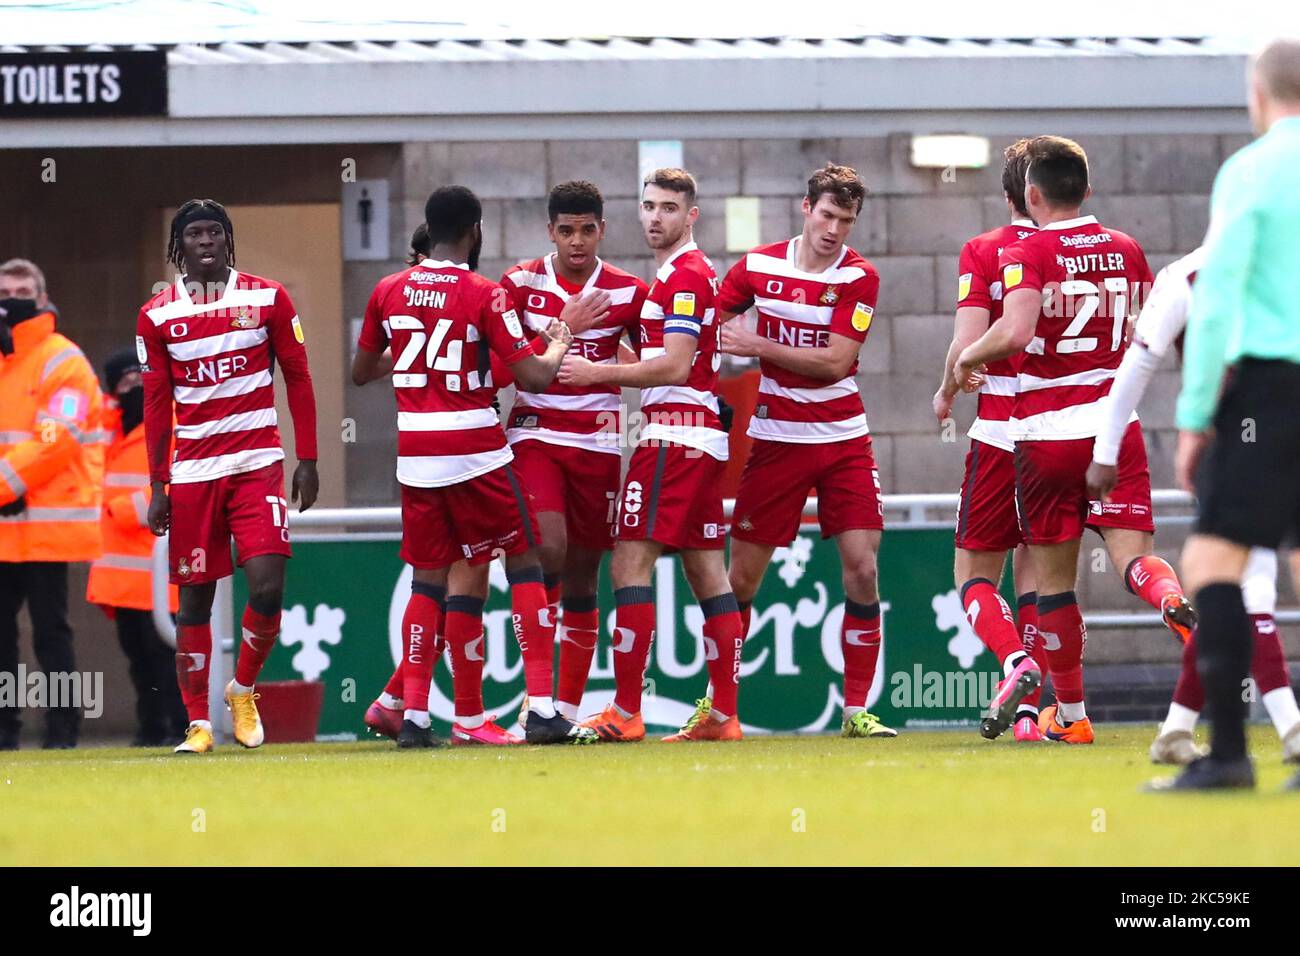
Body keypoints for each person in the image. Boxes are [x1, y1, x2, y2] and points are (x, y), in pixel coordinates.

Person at [955, 135, 1184, 745]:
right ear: (1088, 190)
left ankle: (1075, 714)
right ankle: (1168, 600)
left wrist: (963, 363)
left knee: (1053, 582)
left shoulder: (1027, 250)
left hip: (1045, 432)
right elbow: (1141, 329)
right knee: (1134, 555)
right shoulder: (1128, 248)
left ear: (1031, 194)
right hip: (1114, 427)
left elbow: (1015, 329)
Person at [353, 185, 596, 747]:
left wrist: (417, 355)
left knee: (427, 578)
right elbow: (534, 376)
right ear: (475, 231)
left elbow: (362, 370)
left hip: (415, 456)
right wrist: (559, 339)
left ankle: (413, 716)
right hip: (475, 450)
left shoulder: (388, 290)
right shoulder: (485, 294)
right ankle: (540, 708)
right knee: (524, 561)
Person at [1086, 247, 1300, 767]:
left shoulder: (1184, 277)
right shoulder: (1279, 265)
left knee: (1233, 583)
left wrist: (1104, 453)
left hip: (1237, 441)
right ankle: (1182, 728)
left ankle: (1282, 731)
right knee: (1248, 584)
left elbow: (1137, 365)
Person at [560, 167, 744, 743]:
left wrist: (597, 370)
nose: (655, 217)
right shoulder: (677, 275)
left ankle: (626, 709)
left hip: (674, 436)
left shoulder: (685, 275)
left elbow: (676, 365)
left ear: (691, 216)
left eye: (668, 207)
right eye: (648, 206)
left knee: (627, 565)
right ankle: (723, 716)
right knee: (707, 569)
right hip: (699, 436)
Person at [716, 163, 896, 740]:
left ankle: (856, 710)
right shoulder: (757, 265)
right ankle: (720, 709)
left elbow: (835, 362)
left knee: (863, 571)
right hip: (775, 441)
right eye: (827, 215)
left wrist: (756, 342)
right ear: (805, 208)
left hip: (843, 439)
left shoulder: (859, 277)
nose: (834, 229)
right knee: (740, 581)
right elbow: (706, 320)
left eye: (846, 220)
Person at [137, 199, 320, 755]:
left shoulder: (267, 297)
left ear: (228, 239)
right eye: (195, 234)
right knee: (194, 602)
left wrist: (307, 458)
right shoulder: (157, 314)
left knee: (267, 582)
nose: (207, 241)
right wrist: (157, 484)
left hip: (257, 463)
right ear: (179, 246)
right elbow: (154, 402)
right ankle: (197, 723)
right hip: (194, 474)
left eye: (215, 232)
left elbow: (298, 375)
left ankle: (242, 689)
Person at [1166, 39, 1300, 791]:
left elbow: (1215, 301)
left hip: (1274, 386)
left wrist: (1195, 416)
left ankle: (1225, 756)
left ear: (1259, 91)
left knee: (1213, 561)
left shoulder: (1251, 171)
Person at [499, 180, 648, 720]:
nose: (577, 242)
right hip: (535, 434)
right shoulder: (519, 283)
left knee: (585, 571)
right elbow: (504, 364)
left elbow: (654, 364)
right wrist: (566, 327)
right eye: (567, 231)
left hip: (601, 443)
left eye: (587, 230)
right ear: (550, 232)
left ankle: (562, 710)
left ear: (602, 230)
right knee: (549, 548)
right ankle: (535, 698)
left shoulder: (629, 290)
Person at [933, 141, 1047, 742]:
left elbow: (967, 341)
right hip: (1072, 434)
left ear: (1010, 196)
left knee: (974, 573)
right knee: (1042, 572)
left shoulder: (985, 250)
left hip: (1003, 433)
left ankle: (1015, 664)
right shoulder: (1093, 249)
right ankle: (1038, 716)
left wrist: (948, 387)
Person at [0, 258, 104, 750]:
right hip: (5, 529)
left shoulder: (64, 360)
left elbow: (57, 438)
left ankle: (62, 732)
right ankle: (4, 732)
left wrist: (5, 486)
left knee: (51, 636)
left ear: (42, 299)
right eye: (5, 290)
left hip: (45, 529)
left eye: (22, 289)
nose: (13, 297)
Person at [86, 348, 187, 746]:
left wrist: (121, 511)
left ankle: (179, 727)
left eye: (138, 379)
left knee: (165, 660)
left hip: (160, 576)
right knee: (139, 664)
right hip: (119, 580)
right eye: (123, 382)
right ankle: (151, 730)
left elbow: (179, 482)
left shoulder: (174, 425)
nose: (132, 388)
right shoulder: (107, 430)